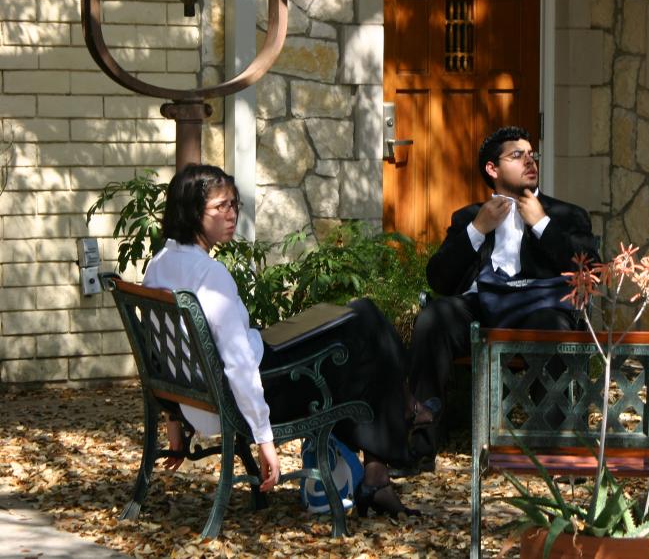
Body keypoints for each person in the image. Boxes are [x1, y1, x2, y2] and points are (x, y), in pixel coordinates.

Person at [144, 163, 421, 518]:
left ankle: (391, 437)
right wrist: (265, 440)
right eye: (221, 206)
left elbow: (162, 353)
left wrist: (174, 420)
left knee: (360, 320)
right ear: (192, 212)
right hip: (254, 387)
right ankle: (401, 419)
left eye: (234, 204)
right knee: (361, 328)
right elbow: (239, 365)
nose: (232, 214)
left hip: (205, 391)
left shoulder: (160, 264)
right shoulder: (209, 275)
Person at [405, 126, 599, 470]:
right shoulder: (469, 217)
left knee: (552, 325)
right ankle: (419, 447)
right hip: (480, 307)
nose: (530, 161)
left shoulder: (567, 215)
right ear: (492, 169)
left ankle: (551, 449)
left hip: (538, 307)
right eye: (517, 155)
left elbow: (591, 271)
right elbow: (440, 279)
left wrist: (542, 224)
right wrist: (477, 229)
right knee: (433, 319)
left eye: (532, 155)